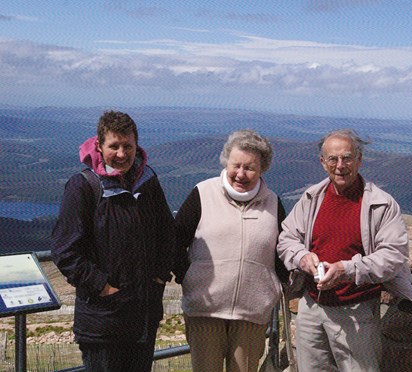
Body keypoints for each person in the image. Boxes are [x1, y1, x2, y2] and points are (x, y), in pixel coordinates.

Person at [277, 129, 412, 372]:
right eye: (333, 159)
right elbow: (287, 238)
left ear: (359, 159)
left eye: (347, 158)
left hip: (356, 311)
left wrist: (346, 270)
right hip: (312, 306)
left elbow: (393, 256)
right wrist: (302, 258)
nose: (340, 165)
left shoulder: (381, 204)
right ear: (322, 163)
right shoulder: (312, 198)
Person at [51, 111, 174, 371]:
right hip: (102, 319)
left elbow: (167, 232)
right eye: (113, 146)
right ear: (99, 145)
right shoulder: (83, 186)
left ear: (136, 145)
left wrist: (160, 277)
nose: (121, 154)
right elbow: (65, 251)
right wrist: (103, 288)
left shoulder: (147, 181)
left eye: (127, 146)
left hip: (143, 316)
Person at [173, 129, 287, 372]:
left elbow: (283, 254)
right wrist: (188, 277)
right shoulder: (202, 194)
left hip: (252, 313)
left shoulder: (274, 204)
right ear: (226, 161)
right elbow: (175, 241)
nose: (241, 174)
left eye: (250, 167)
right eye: (236, 165)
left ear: (262, 169)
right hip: (205, 310)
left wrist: (279, 287)